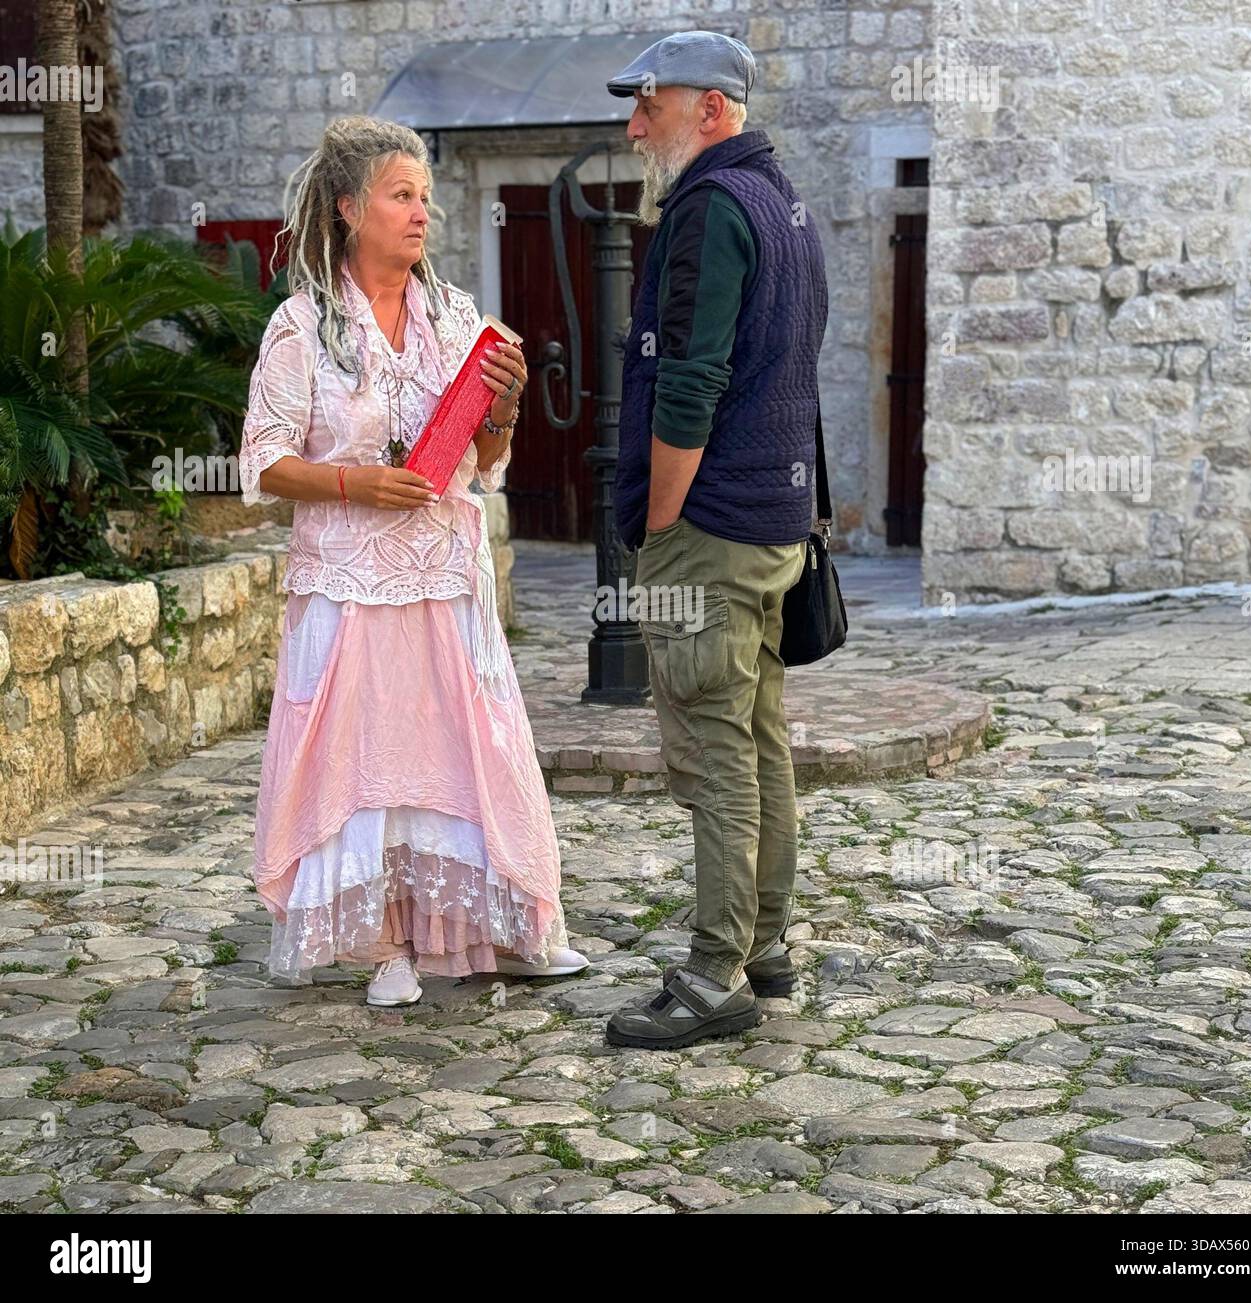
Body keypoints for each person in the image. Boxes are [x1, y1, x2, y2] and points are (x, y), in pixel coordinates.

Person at [239, 115, 588, 1006]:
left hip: (443, 572)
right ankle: (387, 943)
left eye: (425, 197)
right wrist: (357, 484)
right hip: (350, 581)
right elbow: (262, 463)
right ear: (352, 208)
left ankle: (511, 925)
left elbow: (488, 459)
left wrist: (504, 406)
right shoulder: (300, 327)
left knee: (474, 750)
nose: (420, 212)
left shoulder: (456, 317)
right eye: (401, 196)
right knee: (363, 761)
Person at [602, 34, 828, 1049]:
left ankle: (713, 974)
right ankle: (764, 944)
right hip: (775, 521)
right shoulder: (786, 204)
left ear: (713, 110)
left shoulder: (706, 209)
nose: (633, 123)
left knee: (714, 748)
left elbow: (690, 379)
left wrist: (657, 527)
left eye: (649, 104)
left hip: (709, 525)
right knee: (760, 737)